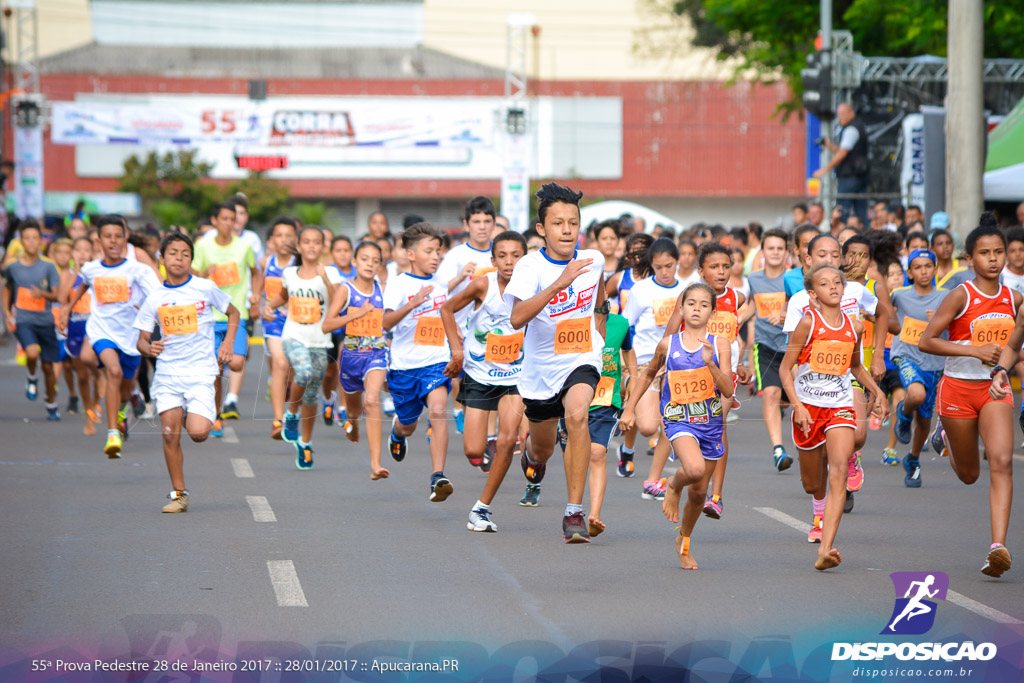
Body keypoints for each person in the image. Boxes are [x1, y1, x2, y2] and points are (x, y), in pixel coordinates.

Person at [506, 182, 607, 544]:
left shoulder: (593, 260)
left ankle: (573, 511)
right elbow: (517, 318)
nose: (567, 230)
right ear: (541, 229)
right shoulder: (529, 266)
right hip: (539, 371)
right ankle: (532, 459)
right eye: (558, 223)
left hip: (581, 357)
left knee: (579, 414)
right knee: (542, 447)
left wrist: (599, 332)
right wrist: (560, 282)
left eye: (573, 222)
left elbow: (600, 295)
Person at [922, 213, 1016, 578]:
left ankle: (997, 547)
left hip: (994, 389)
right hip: (958, 389)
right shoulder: (961, 295)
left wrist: (1003, 368)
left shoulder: (1015, 299)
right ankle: (945, 434)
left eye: (998, 252)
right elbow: (927, 340)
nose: (993, 259)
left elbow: (1015, 345)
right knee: (968, 474)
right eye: (984, 253)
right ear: (970, 259)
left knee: (1003, 461)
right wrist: (973, 351)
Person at [781, 264, 887, 569]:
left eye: (838, 282)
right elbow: (784, 367)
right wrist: (797, 404)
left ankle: (825, 548)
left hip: (840, 405)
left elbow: (855, 368)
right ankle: (817, 504)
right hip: (808, 409)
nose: (834, 287)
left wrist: (876, 392)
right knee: (812, 482)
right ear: (813, 293)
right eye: (825, 284)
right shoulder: (807, 323)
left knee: (839, 469)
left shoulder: (854, 327)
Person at [620, 282, 733, 570]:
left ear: (712, 311)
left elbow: (729, 390)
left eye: (703, 304)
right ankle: (672, 483)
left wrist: (710, 364)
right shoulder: (668, 344)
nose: (696, 309)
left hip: (710, 422)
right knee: (692, 471)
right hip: (678, 418)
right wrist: (630, 408)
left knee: (698, 493)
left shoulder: (720, 344)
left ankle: (683, 541)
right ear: (681, 308)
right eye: (691, 303)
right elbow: (647, 375)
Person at [134, 232, 240, 513]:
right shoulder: (155, 297)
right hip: (168, 374)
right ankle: (179, 495)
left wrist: (227, 342)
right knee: (169, 433)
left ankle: (197, 413)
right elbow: (141, 339)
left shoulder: (205, 287)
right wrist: (149, 347)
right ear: (162, 259)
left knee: (199, 433)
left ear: (191, 260)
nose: (178, 258)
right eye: (172, 253)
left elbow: (234, 312)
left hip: (202, 372)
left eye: (184, 254)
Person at [437, 232, 530, 531]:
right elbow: (446, 309)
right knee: (474, 451)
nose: (509, 262)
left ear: (524, 259)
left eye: (516, 255)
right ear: (493, 261)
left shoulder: (532, 291)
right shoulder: (482, 285)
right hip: (479, 374)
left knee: (507, 440)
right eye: (502, 256)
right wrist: (457, 349)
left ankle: (482, 509)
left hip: (515, 376)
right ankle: (488, 445)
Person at [61, 216, 161, 458]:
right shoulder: (92, 268)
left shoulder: (137, 269)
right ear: (99, 240)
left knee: (126, 389)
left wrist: (147, 310)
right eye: (108, 236)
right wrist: (68, 308)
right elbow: (84, 284)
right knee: (113, 371)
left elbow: (157, 295)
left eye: (118, 236)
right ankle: (112, 433)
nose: (113, 241)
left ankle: (121, 411)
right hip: (101, 331)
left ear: (125, 238)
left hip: (131, 336)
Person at [383, 221, 454, 502]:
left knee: (438, 411)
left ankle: (438, 476)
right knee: (409, 424)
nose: (436, 256)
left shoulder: (442, 285)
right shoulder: (398, 284)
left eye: (438, 251)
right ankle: (398, 433)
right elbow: (385, 323)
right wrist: (413, 303)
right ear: (411, 254)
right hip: (403, 366)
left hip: (436, 361)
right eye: (429, 251)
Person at [263, 227, 341, 469]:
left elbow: (337, 301)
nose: (311, 246)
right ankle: (291, 414)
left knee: (312, 392)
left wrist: (325, 278)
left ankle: (305, 443)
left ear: (322, 247)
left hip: (320, 339)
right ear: (299, 245)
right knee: (303, 373)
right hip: (293, 335)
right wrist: (269, 307)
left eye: (316, 242)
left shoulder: (330, 272)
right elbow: (284, 295)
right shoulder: (289, 273)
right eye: (306, 242)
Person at [622, 239, 686, 499]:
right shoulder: (641, 290)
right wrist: (629, 369)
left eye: (669, 266)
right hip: (648, 362)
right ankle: (628, 441)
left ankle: (653, 481)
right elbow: (624, 326)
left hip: (679, 364)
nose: (664, 272)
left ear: (677, 262)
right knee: (649, 427)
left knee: (670, 421)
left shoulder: (688, 288)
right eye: (658, 267)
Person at [192, 202, 262, 434]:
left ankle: (214, 406)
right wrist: (204, 273)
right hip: (209, 316)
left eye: (233, 219)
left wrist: (256, 298)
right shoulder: (202, 246)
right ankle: (215, 415)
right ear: (214, 221)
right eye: (224, 219)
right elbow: (192, 274)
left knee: (237, 362)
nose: (229, 223)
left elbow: (255, 271)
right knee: (215, 371)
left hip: (236, 313)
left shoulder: (244, 246)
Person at [322, 241, 390, 480]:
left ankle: (375, 464)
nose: (369, 264)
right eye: (364, 259)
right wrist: (356, 314)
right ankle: (353, 422)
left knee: (371, 401)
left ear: (380, 265)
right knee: (353, 410)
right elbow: (327, 325)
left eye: (375, 260)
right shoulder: (346, 290)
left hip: (377, 354)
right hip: (351, 359)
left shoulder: (384, 289)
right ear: (354, 262)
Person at [436, 196, 497, 434]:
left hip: (493, 332)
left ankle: (487, 433)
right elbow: (439, 293)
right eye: (476, 221)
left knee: (490, 383)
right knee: (457, 378)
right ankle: (459, 410)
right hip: (459, 330)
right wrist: (461, 276)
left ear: (494, 224)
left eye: (486, 221)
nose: (482, 226)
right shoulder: (455, 256)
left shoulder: (500, 254)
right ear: (466, 224)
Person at [889, 249, 945, 488]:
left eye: (928, 266)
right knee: (915, 394)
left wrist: (943, 318)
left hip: (934, 363)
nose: (924, 271)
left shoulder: (948, 297)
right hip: (906, 357)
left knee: (924, 420)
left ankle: (912, 459)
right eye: (918, 267)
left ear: (935, 269)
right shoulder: (899, 295)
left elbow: (962, 326)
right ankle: (903, 413)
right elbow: (883, 314)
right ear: (909, 273)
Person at [742, 228, 791, 470]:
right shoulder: (754, 279)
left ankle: (782, 410)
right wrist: (731, 321)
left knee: (788, 400)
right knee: (771, 393)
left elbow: (806, 310)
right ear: (762, 252)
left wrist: (785, 316)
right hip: (766, 345)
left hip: (793, 348)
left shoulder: (795, 279)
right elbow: (752, 307)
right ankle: (778, 450)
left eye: (779, 248)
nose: (774, 252)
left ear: (786, 252)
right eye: (770, 248)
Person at [4, 221, 61, 419]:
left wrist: (42, 294)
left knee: (48, 367)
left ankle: (51, 405)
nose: (31, 242)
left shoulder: (48, 266)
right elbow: (7, 288)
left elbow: (57, 295)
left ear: (40, 240)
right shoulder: (13, 267)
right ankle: (31, 376)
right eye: (27, 238)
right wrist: (6, 311)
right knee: (31, 352)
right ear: (21, 241)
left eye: (35, 238)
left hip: (45, 320)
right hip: (23, 319)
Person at [61, 236, 102, 435]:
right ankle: (88, 410)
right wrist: (77, 270)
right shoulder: (68, 274)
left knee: (91, 363)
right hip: (75, 329)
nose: (83, 253)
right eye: (78, 249)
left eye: (87, 250)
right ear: (73, 253)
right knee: (83, 376)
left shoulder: (98, 273)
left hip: (93, 329)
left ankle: (93, 410)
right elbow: (61, 297)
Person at [260, 218, 297, 440]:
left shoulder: (299, 263)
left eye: (289, 235)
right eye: (279, 235)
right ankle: (277, 421)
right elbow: (258, 283)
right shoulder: (266, 262)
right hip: (272, 320)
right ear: (272, 240)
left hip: (296, 321)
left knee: (291, 368)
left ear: (296, 239)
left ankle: (289, 388)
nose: (284, 240)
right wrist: (258, 301)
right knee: (280, 363)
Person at [814, 103, 870, 224]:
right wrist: (830, 146)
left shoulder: (851, 129)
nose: (840, 117)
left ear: (851, 113)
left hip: (850, 176)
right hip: (858, 175)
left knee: (842, 210)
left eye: (843, 114)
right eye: (838, 115)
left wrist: (825, 169)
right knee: (860, 210)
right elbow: (845, 150)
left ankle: (840, 234)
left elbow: (842, 153)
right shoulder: (855, 127)